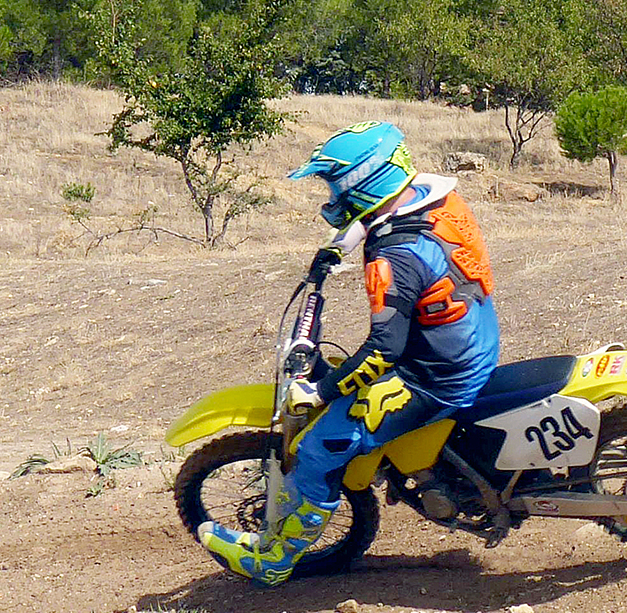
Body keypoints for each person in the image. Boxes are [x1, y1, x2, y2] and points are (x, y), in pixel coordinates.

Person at [198, 122, 501, 586]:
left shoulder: (394, 259)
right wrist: (337, 249)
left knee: (320, 447)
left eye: (333, 182)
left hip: (437, 376)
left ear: (361, 181)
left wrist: (319, 392)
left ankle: (274, 560)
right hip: (471, 337)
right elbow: (382, 217)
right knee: (348, 383)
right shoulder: (432, 198)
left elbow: (383, 352)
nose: (330, 192)